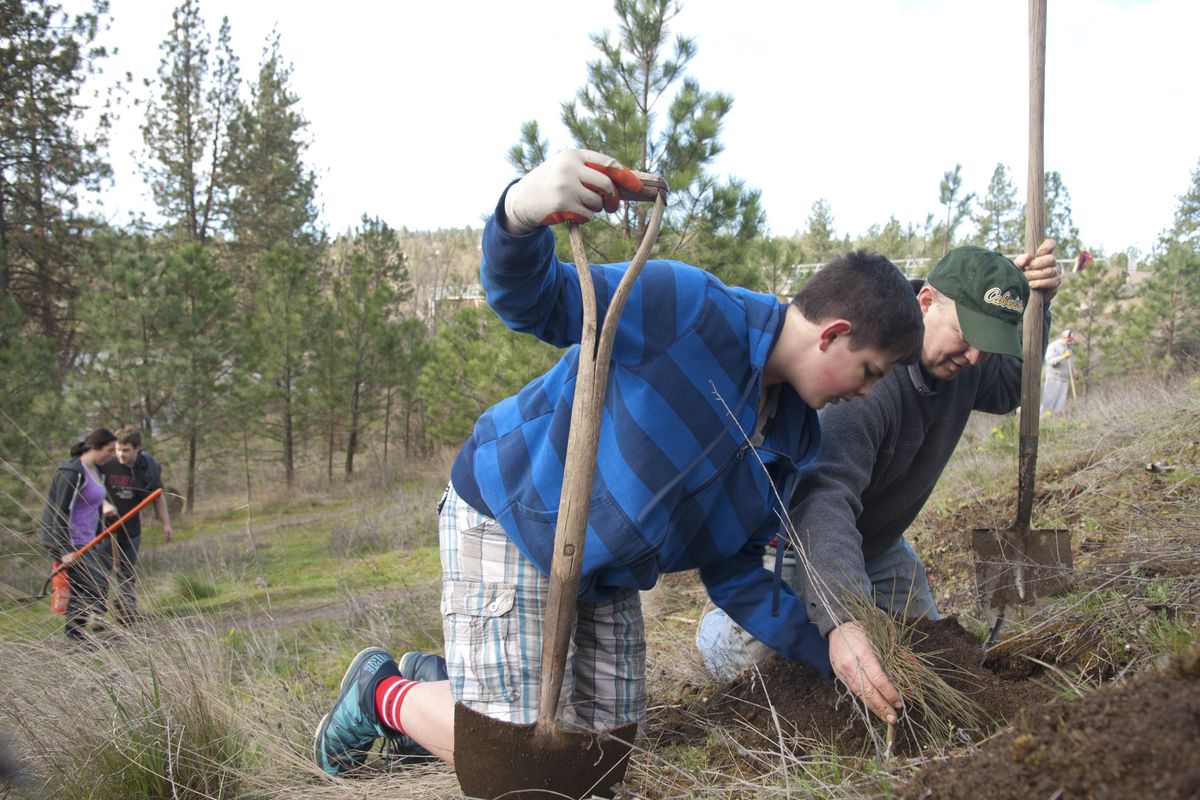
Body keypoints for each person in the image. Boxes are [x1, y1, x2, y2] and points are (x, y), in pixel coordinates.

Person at [312, 148, 926, 774]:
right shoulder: (689, 308)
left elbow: (734, 569)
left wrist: (831, 641)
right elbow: (536, 300)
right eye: (870, 370)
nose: (868, 392)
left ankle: (452, 686)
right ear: (833, 334)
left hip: (601, 571)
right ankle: (381, 694)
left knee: (597, 767)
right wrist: (520, 213)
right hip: (515, 518)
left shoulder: (793, 443)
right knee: (521, 771)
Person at [694, 242, 1062, 724]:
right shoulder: (870, 382)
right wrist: (846, 618)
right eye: (967, 334)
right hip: (799, 538)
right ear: (926, 302)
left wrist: (1040, 305)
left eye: (987, 343)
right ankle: (718, 630)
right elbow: (824, 502)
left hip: (880, 543)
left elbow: (1010, 385)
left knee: (933, 650)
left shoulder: (966, 362)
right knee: (759, 669)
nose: (975, 357)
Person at [39, 428, 118, 642]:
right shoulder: (72, 472)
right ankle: (75, 637)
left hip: (87, 538)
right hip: (66, 541)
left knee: (92, 586)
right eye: (109, 451)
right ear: (94, 447)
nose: (111, 455)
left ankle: (77, 636)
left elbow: (94, 501)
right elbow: (61, 511)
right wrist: (65, 550)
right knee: (92, 584)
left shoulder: (98, 472)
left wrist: (106, 510)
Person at [100, 426, 173, 623]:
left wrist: (166, 524)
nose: (120, 454)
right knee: (101, 569)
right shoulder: (106, 464)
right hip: (104, 528)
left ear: (138, 448)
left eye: (126, 450)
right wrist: (105, 504)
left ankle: (127, 611)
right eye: (118, 449)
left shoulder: (147, 467)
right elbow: (92, 490)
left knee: (126, 570)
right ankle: (96, 615)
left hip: (130, 526)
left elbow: (158, 496)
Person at [1041, 328, 1074, 416]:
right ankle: (1043, 419)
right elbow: (1050, 361)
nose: (1070, 342)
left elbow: (1070, 362)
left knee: (1060, 404)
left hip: (1064, 379)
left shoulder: (1069, 348)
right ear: (1063, 338)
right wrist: (1062, 356)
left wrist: (1074, 372)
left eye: (1071, 340)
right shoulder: (1053, 347)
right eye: (1068, 340)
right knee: (1048, 402)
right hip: (1053, 378)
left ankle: (1055, 423)